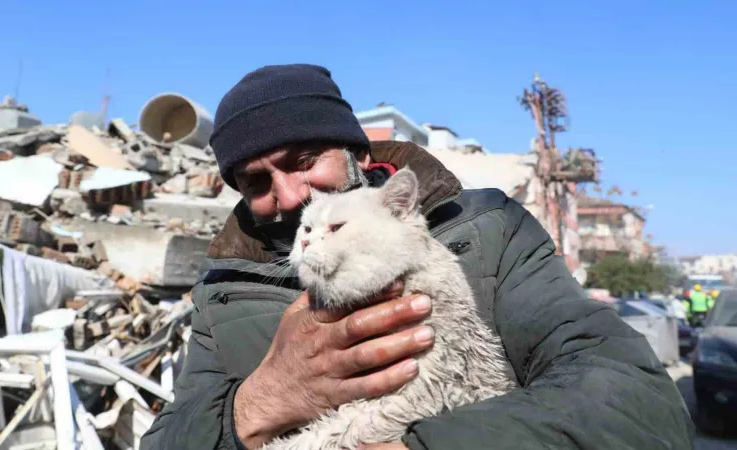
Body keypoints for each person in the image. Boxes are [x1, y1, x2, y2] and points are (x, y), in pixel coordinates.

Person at [141, 64, 694, 449]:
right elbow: (166, 441)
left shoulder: (487, 230)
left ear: (356, 151)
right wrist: (259, 403)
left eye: (305, 159)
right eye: (257, 180)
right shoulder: (223, 289)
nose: (289, 196)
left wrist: (424, 445)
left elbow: (633, 398)